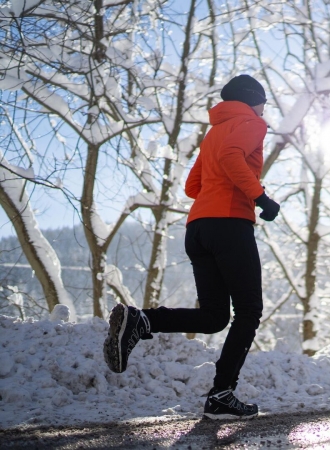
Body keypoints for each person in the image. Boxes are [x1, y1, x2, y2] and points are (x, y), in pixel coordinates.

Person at [102, 74, 280, 420]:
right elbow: (232, 159)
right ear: (251, 99)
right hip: (229, 225)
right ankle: (221, 395)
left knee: (214, 317)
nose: (264, 108)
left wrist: (222, 194)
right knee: (248, 311)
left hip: (198, 227)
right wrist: (260, 197)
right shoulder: (252, 124)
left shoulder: (214, 132)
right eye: (263, 101)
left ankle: (142, 321)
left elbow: (193, 185)